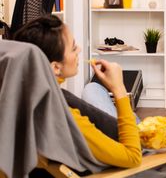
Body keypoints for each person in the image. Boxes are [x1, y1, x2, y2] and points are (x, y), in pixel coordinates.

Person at [13, 15, 142, 168]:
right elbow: (132, 157)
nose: (79, 49)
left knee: (92, 88)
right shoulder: (64, 118)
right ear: (55, 67)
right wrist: (119, 89)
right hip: (133, 144)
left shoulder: (20, 94)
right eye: (73, 47)